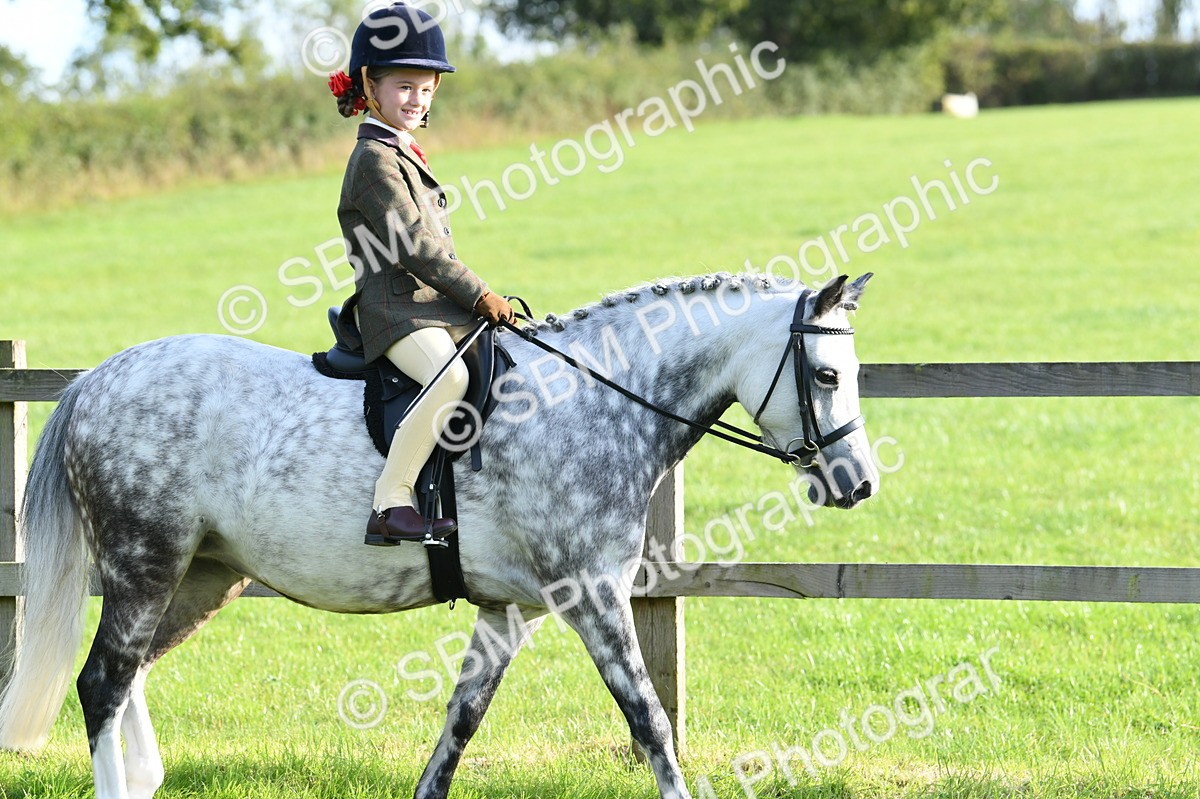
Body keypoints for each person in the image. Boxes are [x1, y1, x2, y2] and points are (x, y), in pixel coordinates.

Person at [328, 2, 514, 545]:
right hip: (394, 312)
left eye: (427, 89)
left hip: (428, 307)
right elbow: (415, 246)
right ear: (371, 85)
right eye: (405, 87)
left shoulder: (402, 151)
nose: (417, 100)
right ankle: (391, 500)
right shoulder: (373, 161)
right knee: (449, 377)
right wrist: (480, 294)